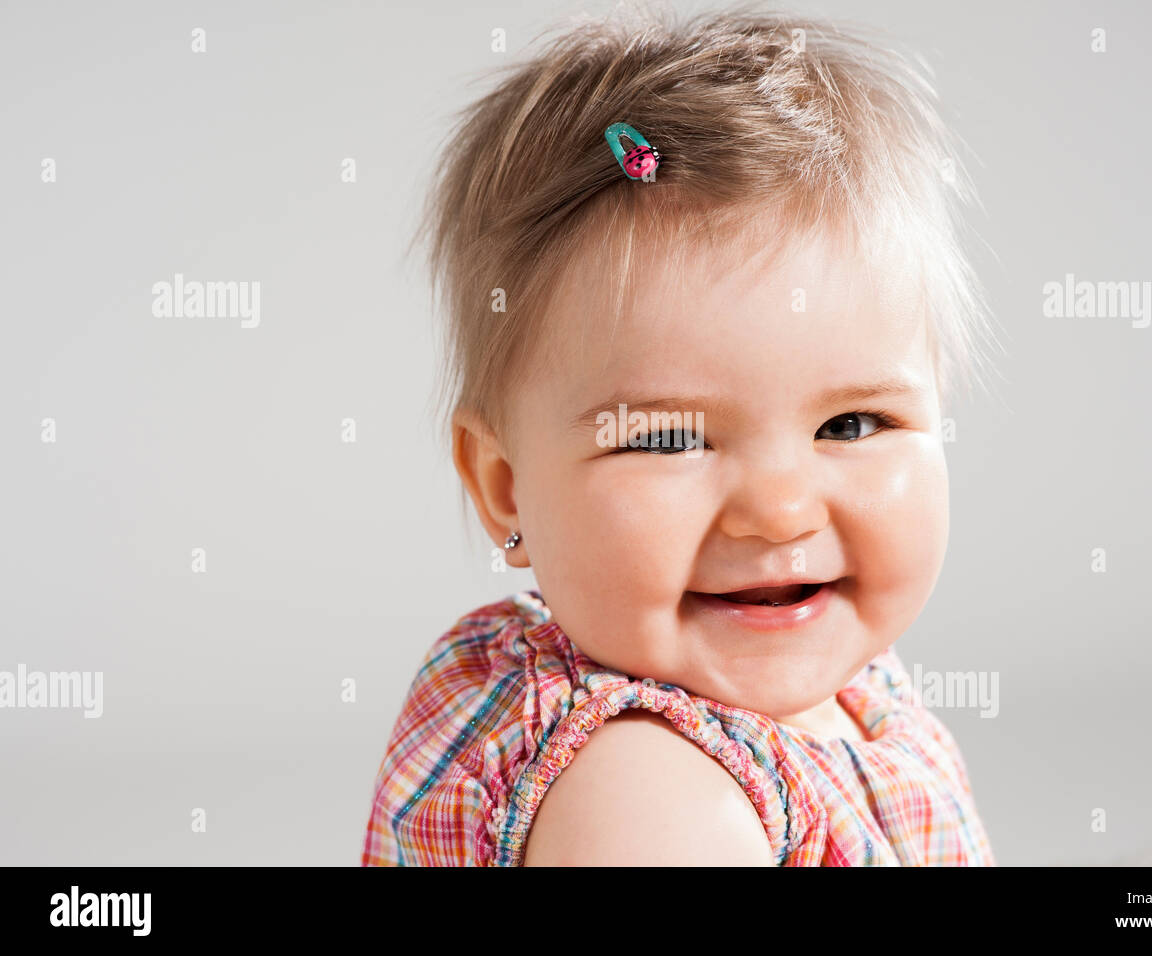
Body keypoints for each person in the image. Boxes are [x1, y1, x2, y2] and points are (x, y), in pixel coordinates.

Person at [363, 4, 1000, 866]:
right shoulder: (645, 796)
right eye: (669, 441)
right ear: (506, 484)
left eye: (850, 424)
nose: (779, 512)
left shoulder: (853, 690)